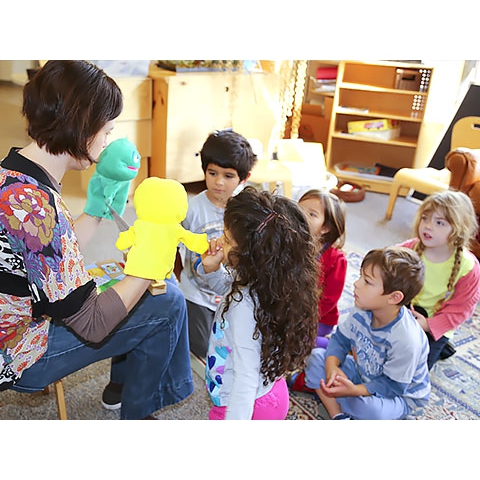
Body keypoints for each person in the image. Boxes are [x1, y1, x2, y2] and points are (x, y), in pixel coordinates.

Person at [0, 60, 193, 420]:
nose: (107, 142)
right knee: (168, 303)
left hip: (17, 317)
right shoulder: (41, 209)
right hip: (15, 353)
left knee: (123, 285)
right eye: (106, 131)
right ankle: (139, 411)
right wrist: (152, 258)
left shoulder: (13, 177)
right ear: (81, 127)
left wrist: (99, 209)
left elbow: (49, 254)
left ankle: (120, 387)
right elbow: (93, 323)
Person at [198, 186, 319, 419]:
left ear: (250, 254)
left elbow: (246, 376)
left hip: (245, 404)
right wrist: (212, 270)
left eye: (227, 238)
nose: (220, 242)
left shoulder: (244, 306)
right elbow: (228, 287)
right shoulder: (267, 279)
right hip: (271, 390)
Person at [304, 246, 431, 420]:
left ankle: (343, 398)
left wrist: (354, 390)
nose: (356, 284)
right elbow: (340, 340)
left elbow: (393, 386)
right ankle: (338, 415)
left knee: (373, 411)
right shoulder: (362, 309)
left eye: (367, 281)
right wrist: (332, 367)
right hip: (363, 373)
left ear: (394, 297)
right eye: (360, 277)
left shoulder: (407, 339)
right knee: (316, 359)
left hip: (397, 395)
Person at [177, 129, 257, 359]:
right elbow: (174, 242)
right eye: (212, 173)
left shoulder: (248, 210)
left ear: (244, 178)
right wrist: (178, 276)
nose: (219, 182)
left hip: (235, 293)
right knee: (202, 347)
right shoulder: (192, 208)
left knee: (239, 344)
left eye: (228, 176)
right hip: (197, 293)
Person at [398, 190, 480, 369]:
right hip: (405, 312)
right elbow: (386, 262)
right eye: (425, 218)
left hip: (434, 325)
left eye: (439, 222)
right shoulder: (411, 247)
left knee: (414, 370)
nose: (428, 226)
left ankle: (442, 346)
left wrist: (428, 325)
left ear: (458, 230)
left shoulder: (469, 268)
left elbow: (461, 310)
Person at [288, 189, 347, 393]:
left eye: (312, 214)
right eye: (299, 209)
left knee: (296, 340)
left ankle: (331, 347)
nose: (301, 216)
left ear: (325, 228)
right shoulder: (291, 244)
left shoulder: (336, 259)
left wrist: (301, 319)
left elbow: (329, 299)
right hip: (290, 310)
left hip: (317, 318)